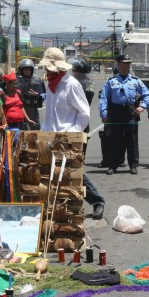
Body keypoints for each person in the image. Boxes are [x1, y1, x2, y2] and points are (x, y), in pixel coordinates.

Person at [38, 47, 105, 219]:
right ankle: (57, 206)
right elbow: (50, 115)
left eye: (48, 67)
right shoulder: (50, 84)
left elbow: (84, 114)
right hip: (50, 136)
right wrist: (44, 133)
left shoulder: (72, 85)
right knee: (52, 171)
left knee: (74, 170)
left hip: (68, 136)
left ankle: (97, 201)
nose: (46, 70)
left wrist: (72, 135)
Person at [99, 54, 149, 175]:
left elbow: (147, 94)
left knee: (131, 140)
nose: (125, 67)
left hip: (130, 112)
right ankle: (113, 165)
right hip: (115, 113)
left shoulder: (135, 81)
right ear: (118, 65)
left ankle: (133, 165)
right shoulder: (111, 82)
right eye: (123, 64)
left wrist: (142, 106)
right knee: (114, 140)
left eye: (127, 64)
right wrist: (104, 113)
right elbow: (104, 98)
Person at [69, 57, 95, 155]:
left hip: (81, 113)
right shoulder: (70, 81)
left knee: (82, 135)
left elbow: (87, 101)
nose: (72, 71)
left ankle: (81, 155)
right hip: (71, 114)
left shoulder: (88, 82)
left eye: (74, 69)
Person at [17, 58, 45, 129]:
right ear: (21, 70)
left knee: (35, 127)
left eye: (29, 70)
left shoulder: (38, 81)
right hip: (21, 108)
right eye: (25, 70)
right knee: (22, 129)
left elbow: (44, 94)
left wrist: (38, 95)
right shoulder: (16, 81)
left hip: (33, 108)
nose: (27, 72)